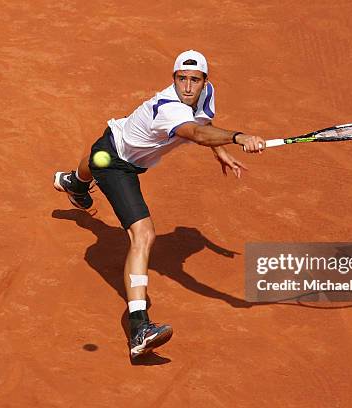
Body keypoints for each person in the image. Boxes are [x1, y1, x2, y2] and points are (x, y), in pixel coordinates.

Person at [54, 50, 265, 359]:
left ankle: (75, 182)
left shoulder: (206, 94)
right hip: (117, 164)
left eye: (195, 80)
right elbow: (196, 132)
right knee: (144, 234)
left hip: (119, 140)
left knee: (99, 154)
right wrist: (237, 137)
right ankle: (139, 327)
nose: (189, 87)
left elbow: (204, 122)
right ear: (173, 79)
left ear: (205, 81)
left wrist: (219, 152)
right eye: (182, 79)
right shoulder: (169, 108)